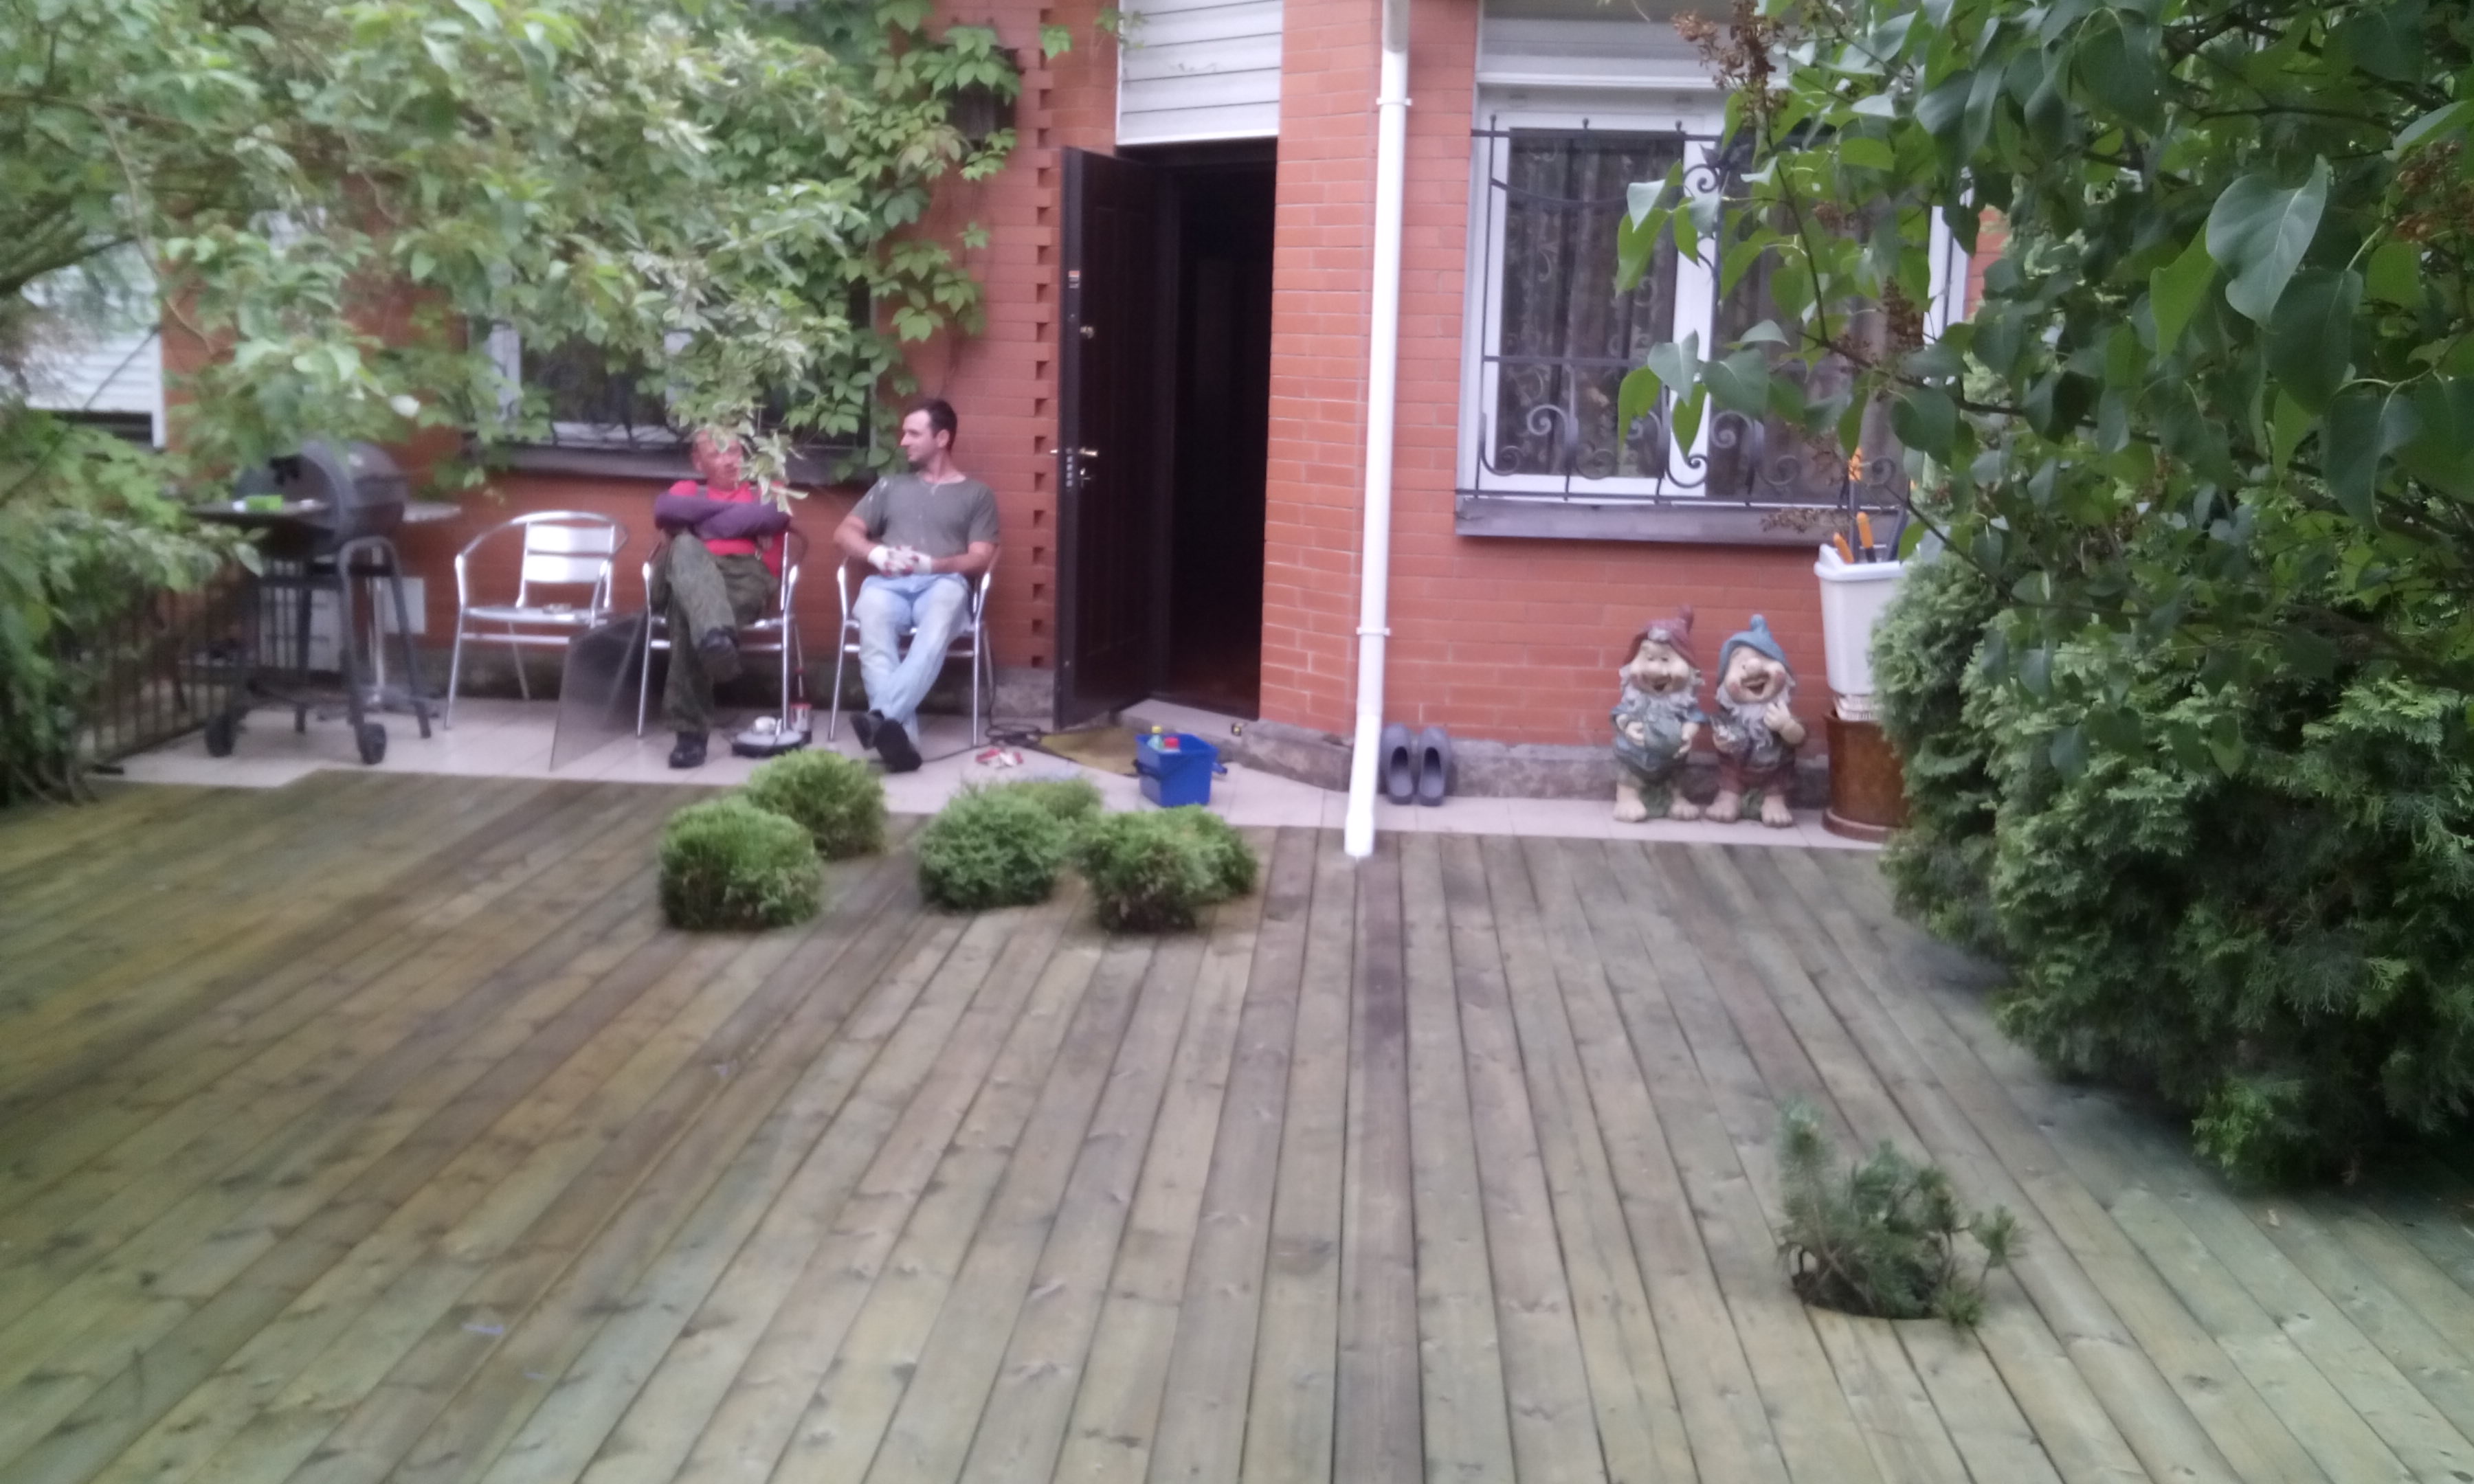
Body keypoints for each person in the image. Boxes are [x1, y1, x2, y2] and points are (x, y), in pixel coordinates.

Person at [832, 398, 999, 773]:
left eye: (913, 433)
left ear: (942, 438)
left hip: (944, 583)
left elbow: (981, 557)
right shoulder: (891, 486)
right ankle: (901, 742)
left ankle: (882, 716)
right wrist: (876, 554)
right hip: (888, 584)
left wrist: (933, 565)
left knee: (934, 631)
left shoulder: (977, 495)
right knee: (874, 630)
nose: (903, 441)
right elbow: (844, 533)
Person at [651, 429, 790, 769]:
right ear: (698, 462)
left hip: (744, 576)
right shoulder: (687, 489)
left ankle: (690, 736)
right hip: (687, 572)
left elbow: (773, 515)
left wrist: (698, 520)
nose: (729, 461)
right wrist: (738, 520)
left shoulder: (766, 489)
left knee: (689, 616)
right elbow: (665, 509)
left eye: (735, 451)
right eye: (717, 454)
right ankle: (716, 639)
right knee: (686, 547)